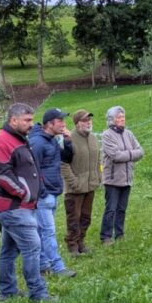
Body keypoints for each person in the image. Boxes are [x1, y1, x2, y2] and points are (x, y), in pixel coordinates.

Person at [0, 103, 50, 302]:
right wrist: (25, 194)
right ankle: (38, 292)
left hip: (21, 207)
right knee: (33, 247)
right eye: (27, 120)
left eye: (32, 120)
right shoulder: (2, 141)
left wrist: (37, 187)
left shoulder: (19, 138)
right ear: (13, 120)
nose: (31, 124)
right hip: (14, 208)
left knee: (9, 250)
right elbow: (2, 175)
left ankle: (7, 291)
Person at [29, 108, 76, 277]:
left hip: (52, 192)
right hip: (44, 195)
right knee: (48, 231)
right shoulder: (38, 143)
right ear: (49, 124)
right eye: (60, 121)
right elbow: (32, 169)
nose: (64, 124)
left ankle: (43, 264)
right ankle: (58, 267)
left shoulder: (52, 140)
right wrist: (42, 192)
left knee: (42, 231)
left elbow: (67, 158)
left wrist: (68, 141)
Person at [100, 106, 145, 245]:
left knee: (122, 208)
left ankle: (119, 233)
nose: (122, 119)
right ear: (112, 120)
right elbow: (115, 155)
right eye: (119, 117)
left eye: (123, 117)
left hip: (127, 177)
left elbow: (141, 151)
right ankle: (106, 236)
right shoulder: (107, 135)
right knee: (111, 209)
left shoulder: (129, 134)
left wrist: (128, 154)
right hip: (113, 179)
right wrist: (131, 154)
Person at [61, 109, 100, 256]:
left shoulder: (93, 138)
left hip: (90, 186)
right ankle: (72, 244)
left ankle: (81, 241)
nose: (88, 122)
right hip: (75, 189)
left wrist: (98, 176)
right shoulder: (69, 139)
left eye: (89, 119)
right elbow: (63, 164)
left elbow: (98, 159)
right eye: (85, 120)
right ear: (77, 123)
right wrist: (73, 182)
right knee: (73, 217)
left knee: (86, 217)